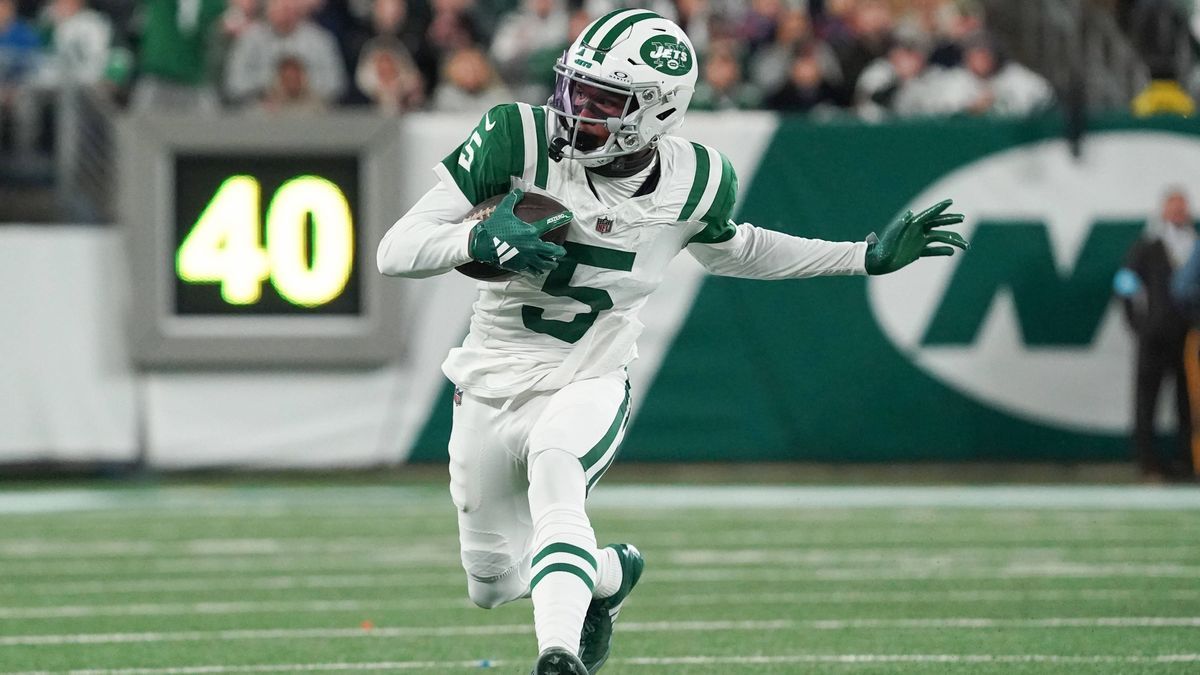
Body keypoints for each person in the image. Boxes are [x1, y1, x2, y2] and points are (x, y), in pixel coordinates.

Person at [376, 10, 967, 674]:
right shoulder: (517, 136)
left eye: (603, 100)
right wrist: (472, 239)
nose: (575, 109)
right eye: (575, 87)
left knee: (556, 472)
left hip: (589, 371)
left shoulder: (697, 179)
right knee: (491, 580)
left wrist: (859, 256)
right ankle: (609, 573)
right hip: (491, 372)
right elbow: (394, 250)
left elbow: (738, 249)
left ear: (655, 111)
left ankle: (557, 654)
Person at [1115, 187, 1197, 481]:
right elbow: (1124, 281)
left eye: (1182, 207)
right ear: (1163, 211)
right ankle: (1147, 461)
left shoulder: (1193, 243)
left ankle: (1187, 460)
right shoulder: (1149, 245)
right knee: (1147, 399)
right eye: (1173, 207)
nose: (1178, 212)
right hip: (1156, 334)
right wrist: (1137, 323)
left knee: (1187, 402)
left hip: (1188, 334)